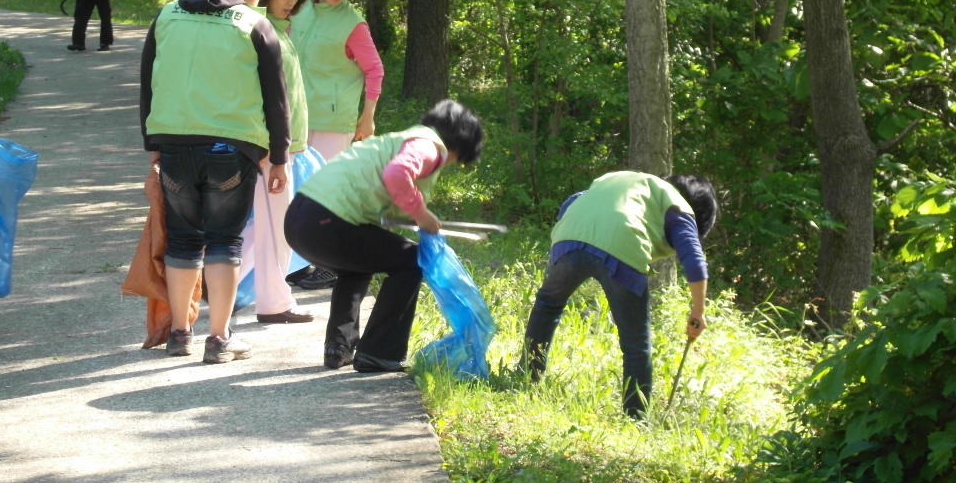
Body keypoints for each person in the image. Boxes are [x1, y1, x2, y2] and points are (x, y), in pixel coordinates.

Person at [140, 0, 291, 363]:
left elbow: (148, 80)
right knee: (224, 239)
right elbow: (276, 99)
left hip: (173, 144)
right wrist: (279, 157)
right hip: (231, 147)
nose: (257, 2)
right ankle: (220, 338)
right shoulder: (253, 23)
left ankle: (179, 332)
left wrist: (152, 145)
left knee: (185, 239)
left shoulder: (168, 14)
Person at [284, 99, 484, 373]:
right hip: (328, 222)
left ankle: (339, 347)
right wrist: (422, 214)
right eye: (455, 160)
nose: (446, 164)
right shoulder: (428, 145)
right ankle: (379, 353)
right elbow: (398, 174)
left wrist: (412, 216)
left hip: (301, 221)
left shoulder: (396, 141)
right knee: (412, 261)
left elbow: (378, 187)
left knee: (356, 266)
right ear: (457, 144)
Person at [521, 171, 719, 419]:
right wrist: (698, 311)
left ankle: (527, 376)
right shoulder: (678, 207)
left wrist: (568, 238)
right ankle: (635, 417)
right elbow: (694, 260)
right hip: (622, 246)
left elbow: (574, 200)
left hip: (570, 235)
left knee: (548, 304)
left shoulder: (632, 184)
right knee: (636, 343)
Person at [290, 0, 385, 290]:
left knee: (326, 192)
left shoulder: (352, 23)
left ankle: (330, 262)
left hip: (334, 119)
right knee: (293, 191)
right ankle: (296, 262)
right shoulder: (297, 8)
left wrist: (367, 116)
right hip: (292, 115)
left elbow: (374, 69)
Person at [244, 0, 315, 324]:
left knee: (264, 226)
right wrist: (278, 150)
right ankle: (274, 303)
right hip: (271, 147)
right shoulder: (259, 28)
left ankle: (207, 281)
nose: (292, 1)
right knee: (277, 227)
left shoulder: (275, 28)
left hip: (284, 146)